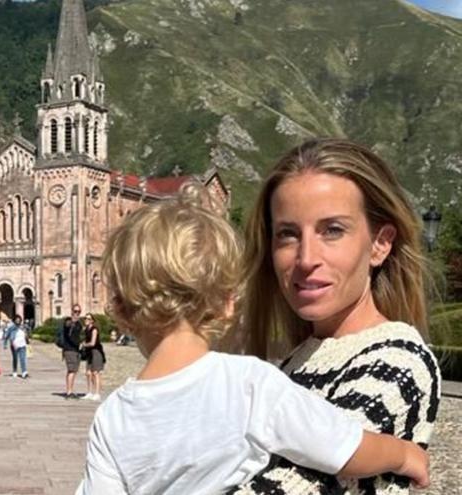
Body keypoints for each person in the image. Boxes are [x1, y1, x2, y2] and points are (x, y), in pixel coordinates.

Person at [76, 184, 431, 495]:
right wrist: (403, 455)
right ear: (227, 302)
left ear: (120, 311)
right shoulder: (250, 383)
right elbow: (343, 448)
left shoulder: (112, 415)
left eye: (332, 230)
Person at [227, 138, 441, 493]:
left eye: (332, 231)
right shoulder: (298, 359)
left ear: (380, 244)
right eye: (288, 234)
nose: (306, 257)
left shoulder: (396, 363)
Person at [80, 313, 104, 401]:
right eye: (85, 318)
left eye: (88, 319)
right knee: (88, 373)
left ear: (92, 321)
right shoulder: (86, 329)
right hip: (89, 352)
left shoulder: (94, 329)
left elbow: (93, 343)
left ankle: (97, 393)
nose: (86, 320)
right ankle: (89, 392)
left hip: (96, 352)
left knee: (95, 373)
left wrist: (84, 344)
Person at [61, 307, 83, 399]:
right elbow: (67, 326)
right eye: (75, 311)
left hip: (76, 350)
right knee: (71, 370)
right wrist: (72, 321)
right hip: (69, 350)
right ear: (72, 312)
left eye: (78, 312)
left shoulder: (79, 324)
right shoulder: (68, 321)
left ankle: (70, 390)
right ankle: (69, 392)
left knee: (74, 370)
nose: (77, 313)